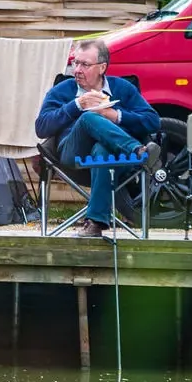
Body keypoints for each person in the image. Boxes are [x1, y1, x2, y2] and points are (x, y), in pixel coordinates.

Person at [34, 38, 162, 237]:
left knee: (103, 151)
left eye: (85, 64)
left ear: (102, 67)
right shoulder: (63, 90)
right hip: (72, 154)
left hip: (117, 160)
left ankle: (95, 223)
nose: (77, 69)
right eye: (75, 63)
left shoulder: (123, 88)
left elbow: (153, 120)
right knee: (88, 117)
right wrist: (76, 105)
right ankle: (138, 150)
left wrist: (116, 116)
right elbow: (41, 127)